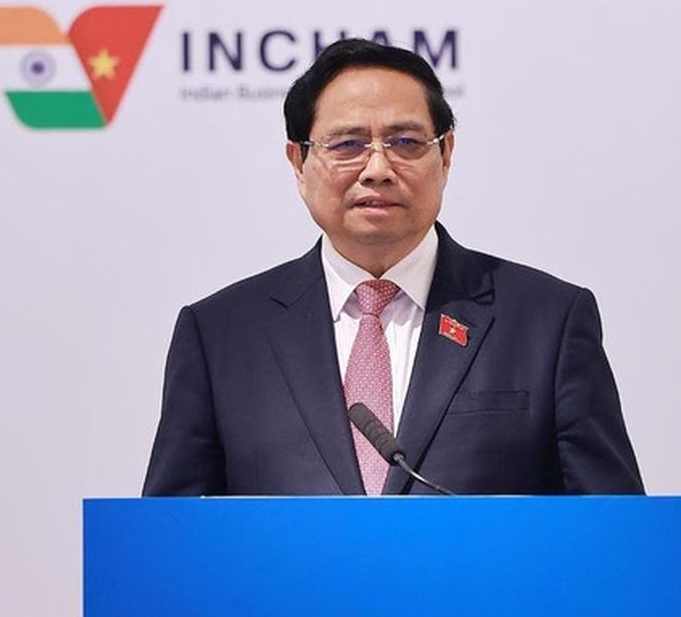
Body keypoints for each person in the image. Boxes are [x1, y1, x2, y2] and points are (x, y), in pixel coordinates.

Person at [143, 39, 642, 496]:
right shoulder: (221, 334)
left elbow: (614, 531)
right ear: (298, 162)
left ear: (445, 154)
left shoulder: (546, 321)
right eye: (347, 145)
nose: (378, 169)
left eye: (405, 143)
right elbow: (167, 539)